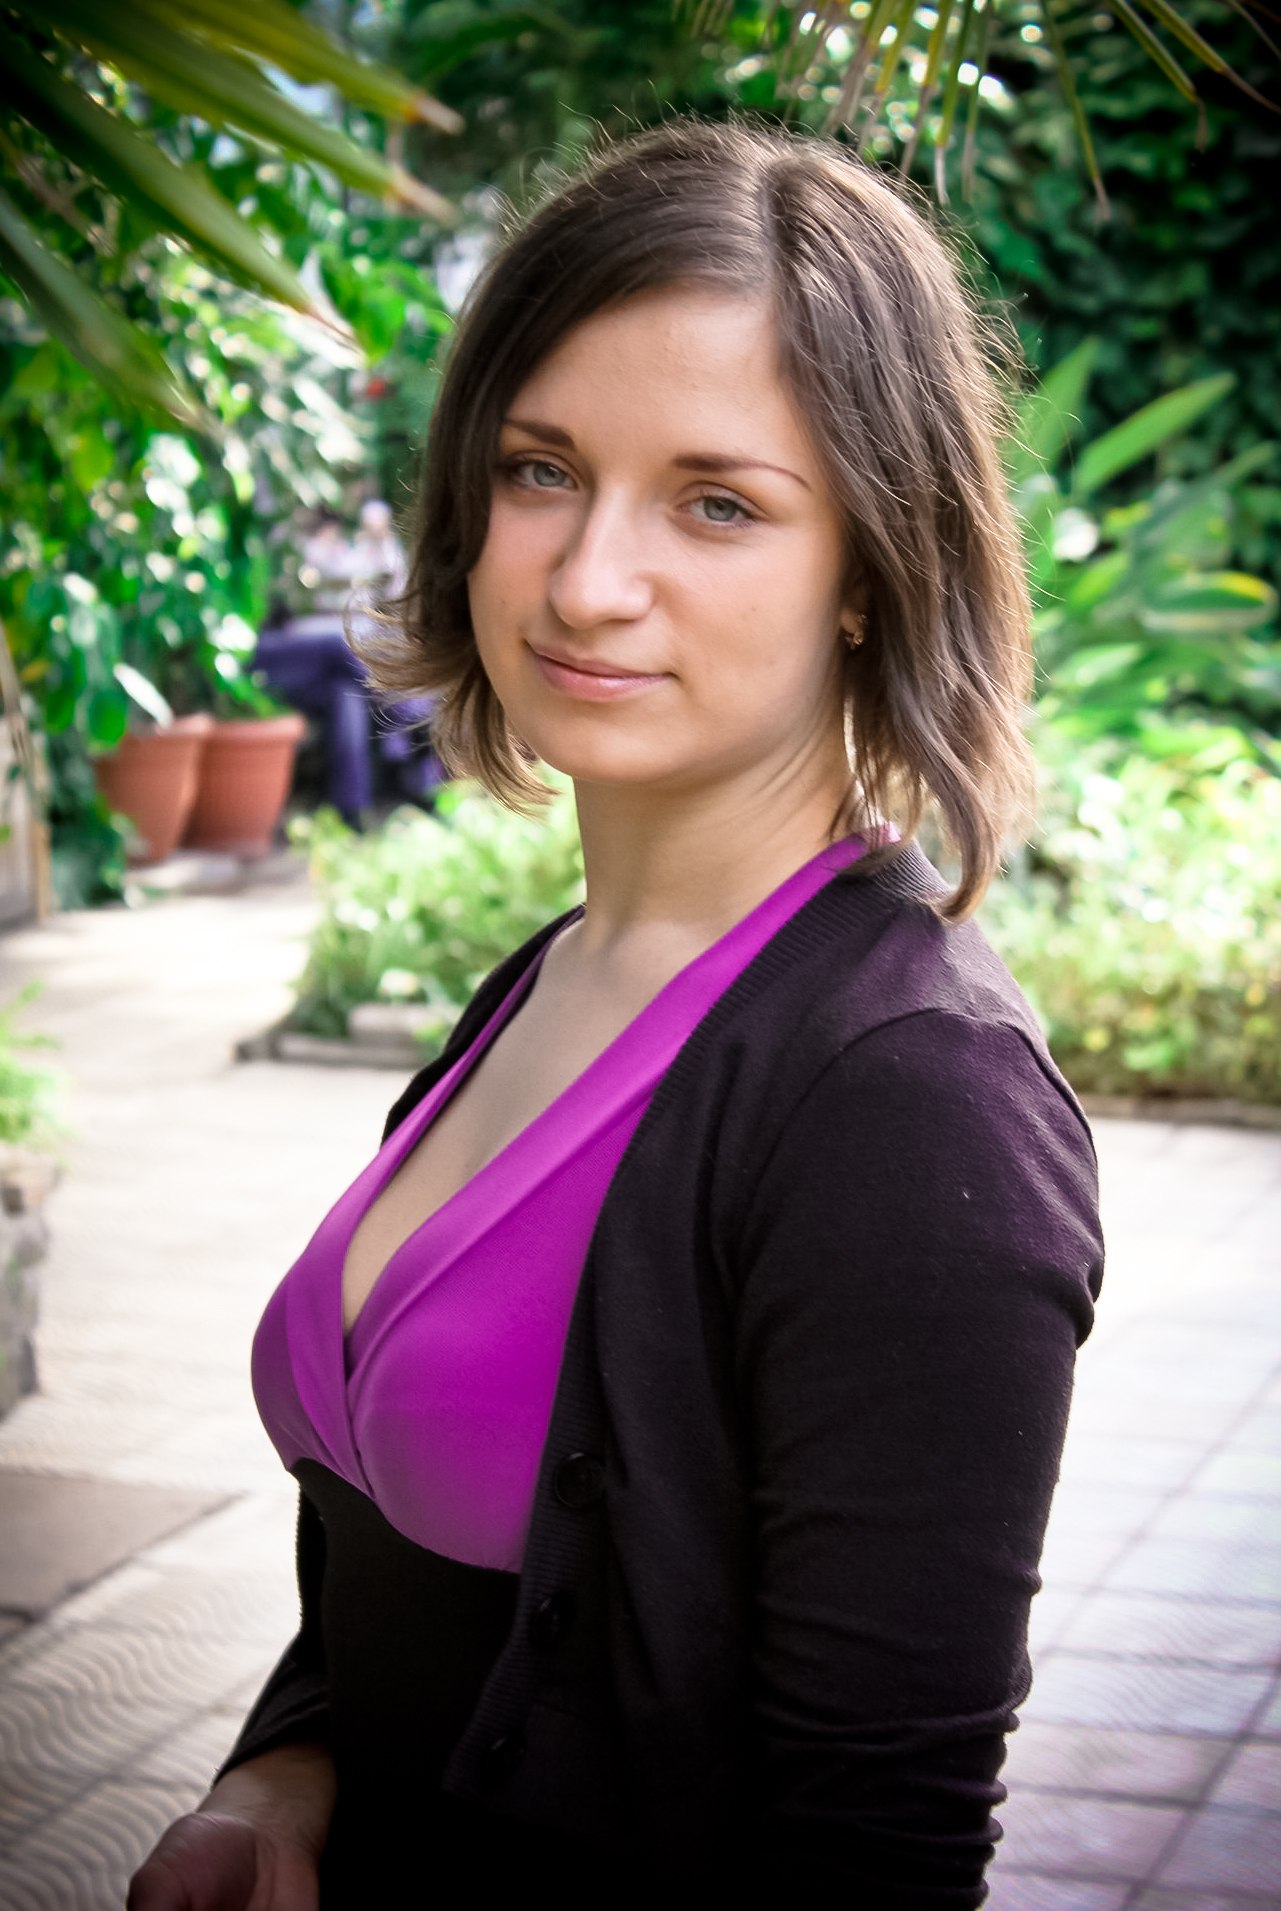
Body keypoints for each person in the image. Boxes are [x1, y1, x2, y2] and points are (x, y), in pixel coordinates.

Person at [128, 118, 1104, 1908]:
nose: (584, 580)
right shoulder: (553, 973)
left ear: (871, 566)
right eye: (541, 470)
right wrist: (279, 1778)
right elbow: (418, 1586)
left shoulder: (909, 1099)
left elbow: (871, 1849)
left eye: (717, 502)